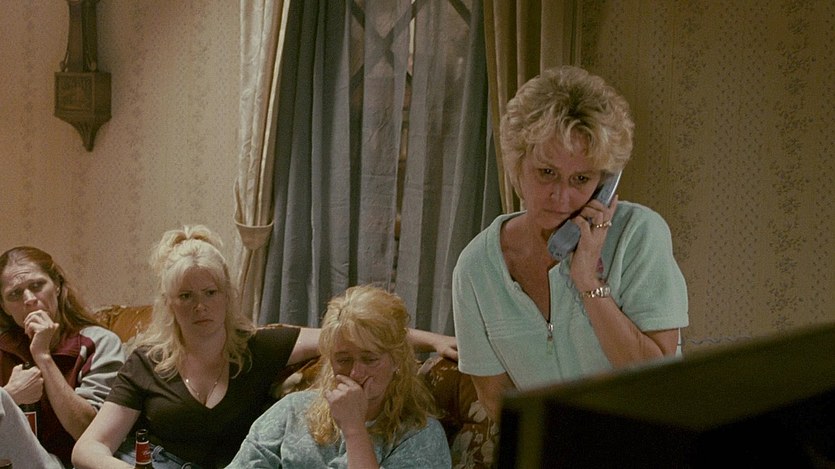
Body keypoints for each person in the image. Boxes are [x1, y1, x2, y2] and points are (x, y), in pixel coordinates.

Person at [73, 225, 456, 469]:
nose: (200, 307)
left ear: (228, 296)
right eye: (186, 296)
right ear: (168, 303)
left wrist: (433, 339)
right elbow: (88, 447)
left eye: (210, 293)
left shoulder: (259, 348)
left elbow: (360, 334)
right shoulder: (290, 412)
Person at [452, 65, 689, 421]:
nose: (561, 197)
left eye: (581, 179)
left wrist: (588, 283)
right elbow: (496, 400)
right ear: (517, 165)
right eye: (547, 173)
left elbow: (657, 382)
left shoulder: (640, 235)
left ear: (604, 181)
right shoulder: (475, 268)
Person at [227, 284, 452, 468]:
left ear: (397, 360)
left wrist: (354, 428)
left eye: (370, 359)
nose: (355, 373)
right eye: (344, 360)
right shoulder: (291, 411)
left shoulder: (421, 435)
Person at [0, 246, 126, 467]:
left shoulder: (99, 342)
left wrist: (43, 356)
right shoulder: (3, 347)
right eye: (15, 294)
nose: (29, 299)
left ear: (57, 286)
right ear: (4, 306)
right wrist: (10, 396)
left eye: (37, 286)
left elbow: (90, 434)